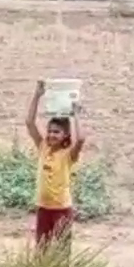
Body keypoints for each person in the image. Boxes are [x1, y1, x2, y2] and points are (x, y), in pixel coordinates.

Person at [25, 80, 86, 250]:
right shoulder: (43, 147)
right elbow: (29, 123)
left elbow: (81, 139)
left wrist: (76, 115)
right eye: (50, 131)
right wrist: (37, 95)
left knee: (61, 251)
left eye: (57, 132)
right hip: (43, 208)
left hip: (61, 210)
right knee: (42, 249)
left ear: (66, 135)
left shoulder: (68, 155)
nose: (51, 135)